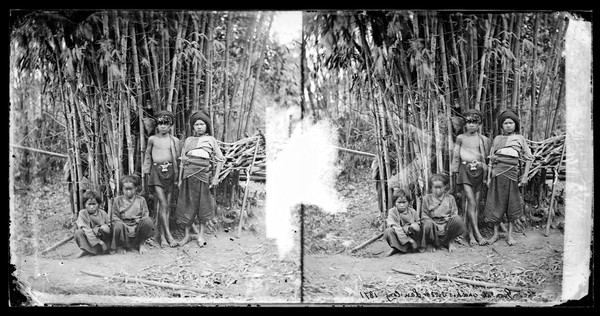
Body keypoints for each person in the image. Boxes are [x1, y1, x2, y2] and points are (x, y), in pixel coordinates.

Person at [175, 110, 224, 248]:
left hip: (203, 177)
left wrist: (215, 177)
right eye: (196, 124)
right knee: (187, 205)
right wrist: (180, 179)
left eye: (202, 124)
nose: (199, 127)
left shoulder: (211, 140)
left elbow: (220, 159)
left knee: (203, 206)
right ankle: (186, 235)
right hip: (188, 177)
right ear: (193, 126)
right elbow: (183, 162)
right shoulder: (189, 140)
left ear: (207, 126)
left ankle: (201, 235)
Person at [484, 109, 533, 246]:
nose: (508, 125)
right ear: (501, 125)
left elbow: (529, 158)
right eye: (505, 123)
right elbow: (491, 160)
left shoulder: (520, 139)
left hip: (512, 176)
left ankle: (510, 235)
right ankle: (495, 234)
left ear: (515, 124)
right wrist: (488, 177)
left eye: (511, 123)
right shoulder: (497, 139)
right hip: (497, 175)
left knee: (511, 205)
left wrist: (525, 176)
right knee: (496, 204)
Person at [451, 109, 491, 246]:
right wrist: (454, 171)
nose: (471, 125)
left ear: (479, 124)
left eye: (475, 122)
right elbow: (456, 154)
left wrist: (486, 172)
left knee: (477, 203)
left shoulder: (483, 139)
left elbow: (486, 157)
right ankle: (477, 234)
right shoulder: (460, 138)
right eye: (469, 122)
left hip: (478, 170)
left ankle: (471, 234)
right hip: (464, 170)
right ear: (465, 124)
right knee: (470, 201)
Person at [142, 110, 181, 248]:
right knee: (163, 203)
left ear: (171, 125)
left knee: (167, 205)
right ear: (156, 125)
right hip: (156, 173)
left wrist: (179, 177)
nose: (163, 126)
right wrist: (146, 171)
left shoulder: (174, 141)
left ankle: (163, 237)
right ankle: (168, 236)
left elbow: (178, 158)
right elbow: (147, 155)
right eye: (160, 123)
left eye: (166, 123)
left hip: (171, 173)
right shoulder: (152, 139)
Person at [110, 174, 156, 254]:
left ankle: (141, 244)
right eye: (126, 189)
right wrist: (123, 225)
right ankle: (121, 245)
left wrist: (138, 222)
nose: (128, 192)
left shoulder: (141, 200)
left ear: (136, 188)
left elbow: (145, 214)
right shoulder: (118, 200)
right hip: (123, 227)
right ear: (122, 189)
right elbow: (114, 216)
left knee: (148, 221)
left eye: (131, 189)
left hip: (137, 225)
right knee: (117, 225)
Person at [420, 174, 466, 252]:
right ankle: (430, 243)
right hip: (433, 225)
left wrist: (448, 220)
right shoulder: (427, 198)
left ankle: (450, 242)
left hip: (446, 224)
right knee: (427, 224)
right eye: (435, 187)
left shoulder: (450, 198)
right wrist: (431, 222)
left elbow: (454, 213)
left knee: (457, 220)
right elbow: (424, 214)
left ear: (445, 186)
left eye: (440, 187)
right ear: (431, 187)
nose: (438, 190)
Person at [383, 188, 422, 256]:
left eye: (404, 202)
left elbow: (419, 224)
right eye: (399, 202)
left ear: (409, 202)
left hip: (411, 235)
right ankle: (396, 248)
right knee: (388, 231)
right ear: (395, 203)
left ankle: (414, 247)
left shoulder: (413, 212)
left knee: (415, 227)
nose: (402, 205)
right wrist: (409, 240)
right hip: (401, 237)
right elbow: (396, 227)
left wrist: (412, 227)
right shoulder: (392, 212)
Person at [74, 190, 111, 258]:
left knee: (105, 228)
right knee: (78, 232)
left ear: (98, 204)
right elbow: (86, 229)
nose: (91, 207)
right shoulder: (82, 213)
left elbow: (109, 226)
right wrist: (100, 242)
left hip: (102, 240)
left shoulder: (102, 213)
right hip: (92, 240)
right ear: (85, 204)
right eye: (89, 204)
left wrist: (104, 228)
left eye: (94, 204)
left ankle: (106, 249)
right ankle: (85, 250)